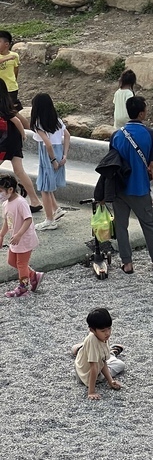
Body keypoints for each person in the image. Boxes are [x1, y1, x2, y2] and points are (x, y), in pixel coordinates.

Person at [110, 95, 153, 275]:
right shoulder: (150, 134)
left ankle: (127, 264)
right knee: (148, 225)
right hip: (140, 188)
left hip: (119, 188)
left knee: (121, 226)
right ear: (142, 113)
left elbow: (112, 162)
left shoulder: (117, 135)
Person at [30, 92, 70, 230]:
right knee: (48, 184)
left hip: (48, 156)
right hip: (59, 152)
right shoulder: (57, 120)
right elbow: (67, 135)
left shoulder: (38, 123)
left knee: (44, 188)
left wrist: (52, 160)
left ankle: (49, 220)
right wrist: (64, 156)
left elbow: (47, 144)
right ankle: (56, 209)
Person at [0, 80, 42, 210]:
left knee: (19, 170)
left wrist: (24, 134)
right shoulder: (8, 103)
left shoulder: (2, 105)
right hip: (13, 140)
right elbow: (20, 119)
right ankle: (35, 201)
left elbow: (17, 120)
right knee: (19, 171)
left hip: (5, 142)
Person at [0, 171, 42, 297]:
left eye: (0, 191)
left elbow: (28, 219)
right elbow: (7, 221)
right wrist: (2, 235)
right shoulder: (6, 204)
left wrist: (19, 234)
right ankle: (34, 275)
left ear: (10, 190)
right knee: (12, 261)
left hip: (24, 238)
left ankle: (23, 287)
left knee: (21, 264)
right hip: (16, 239)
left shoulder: (21, 202)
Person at [73, 308, 125, 400]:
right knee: (118, 364)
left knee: (118, 364)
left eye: (109, 328)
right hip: (86, 375)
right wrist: (91, 391)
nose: (107, 333)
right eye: (103, 331)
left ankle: (81, 348)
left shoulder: (103, 337)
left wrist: (111, 381)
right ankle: (111, 353)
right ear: (92, 330)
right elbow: (94, 367)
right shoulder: (92, 340)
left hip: (95, 369)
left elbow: (102, 362)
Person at [0, 29, 21, 110]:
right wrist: (7, 58)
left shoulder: (15, 55)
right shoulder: (10, 57)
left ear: (6, 44)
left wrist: (13, 80)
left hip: (11, 88)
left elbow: (16, 69)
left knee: (10, 111)